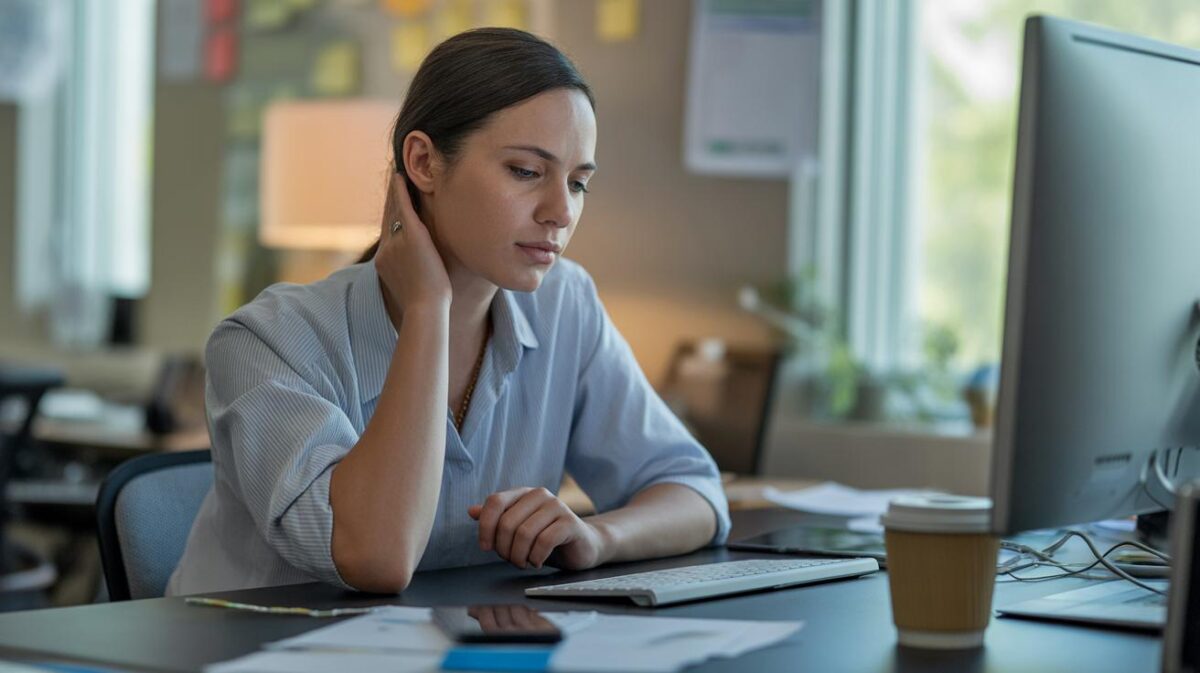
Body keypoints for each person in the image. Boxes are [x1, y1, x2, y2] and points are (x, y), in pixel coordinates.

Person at [168, 28, 729, 595]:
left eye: (578, 183)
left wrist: (597, 537)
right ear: (422, 162)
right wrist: (428, 309)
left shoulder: (566, 305)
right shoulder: (267, 340)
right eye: (526, 172)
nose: (561, 211)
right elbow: (376, 559)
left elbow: (694, 492)